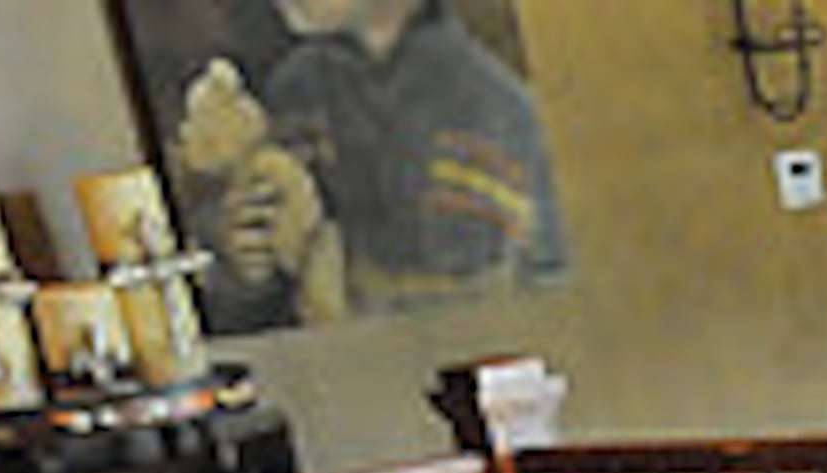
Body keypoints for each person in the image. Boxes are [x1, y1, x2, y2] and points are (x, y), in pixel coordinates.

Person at [189, 0, 561, 328]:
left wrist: (316, 250)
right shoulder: (298, 88)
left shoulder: (487, 112)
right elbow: (262, 308)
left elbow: (484, 310)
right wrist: (244, 262)